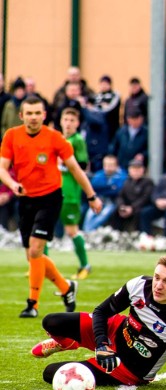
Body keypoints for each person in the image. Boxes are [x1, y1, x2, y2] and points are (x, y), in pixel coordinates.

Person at [30, 255, 166, 390]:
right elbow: (101, 311)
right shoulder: (140, 285)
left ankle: (75, 345)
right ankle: (67, 343)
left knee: (51, 374)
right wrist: (102, 344)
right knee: (51, 321)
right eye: (157, 278)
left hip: (127, 370)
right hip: (115, 330)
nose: (158, 286)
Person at [0, 96, 102, 318]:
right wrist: (12, 184)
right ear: (21, 116)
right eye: (29, 113)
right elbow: (2, 168)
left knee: (36, 249)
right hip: (25, 199)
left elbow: (75, 168)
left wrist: (92, 196)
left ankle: (32, 304)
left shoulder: (55, 138)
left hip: (50, 198)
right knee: (32, 256)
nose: (34, 117)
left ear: (44, 115)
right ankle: (67, 288)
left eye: (38, 113)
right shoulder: (11, 136)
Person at [58, 108, 92, 280]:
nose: (68, 123)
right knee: (43, 229)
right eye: (66, 119)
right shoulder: (58, 139)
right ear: (61, 121)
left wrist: (62, 163)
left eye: (72, 120)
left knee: (72, 230)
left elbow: (83, 165)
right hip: (54, 191)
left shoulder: (77, 140)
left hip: (70, 194)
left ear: (77, 123)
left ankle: (85, 265)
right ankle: (39, 267)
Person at [139, 157, 166, 236]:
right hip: (160, 205)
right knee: (145, 213)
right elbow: (155, 192)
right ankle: (147, 236)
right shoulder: (164, 179)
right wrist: (157, 201)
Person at [83, 155, 127, 232]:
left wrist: (103, 188)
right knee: (90, 214)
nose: (108, 167)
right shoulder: (99, 174)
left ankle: (89, 231)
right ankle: (87, 231)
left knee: (104, 214)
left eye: (111, 165)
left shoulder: (122, 176)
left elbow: (117, 190)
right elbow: (93, 187)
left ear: (116, 165)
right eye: (106, 165)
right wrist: (110, 187)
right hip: (99, 200)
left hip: (112, 201)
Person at [111, 160, 154, 232]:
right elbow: (120, 196)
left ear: (143, 170)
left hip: (140, 207)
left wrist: (132, 208)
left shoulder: (148, 182)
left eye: (138, 169)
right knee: (115, 212)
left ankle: (141, 234)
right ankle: (116, 233)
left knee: (141, 213)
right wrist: (121, 206)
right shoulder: (127, 181)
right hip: (127, 207)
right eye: (133, 169)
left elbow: (145, 198)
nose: (135, 171)